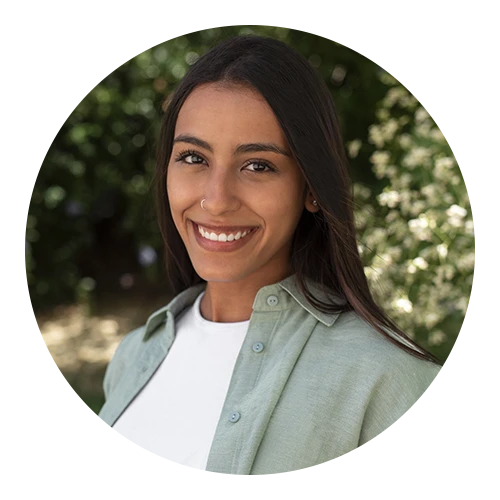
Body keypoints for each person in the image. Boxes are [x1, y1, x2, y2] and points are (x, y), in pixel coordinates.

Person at [97, 34, 444, 475]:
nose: (216, 200)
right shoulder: (133, 356)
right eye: (193, 158)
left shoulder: (386, 378)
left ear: (311, 188)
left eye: (257, 165)